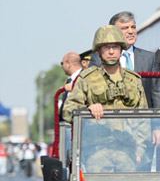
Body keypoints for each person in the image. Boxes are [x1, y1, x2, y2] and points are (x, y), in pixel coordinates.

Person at [62, 25, 149, 165]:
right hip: (96, 151)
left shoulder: (134, 80)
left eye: (115, 47)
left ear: (121, 49)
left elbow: (144, 118)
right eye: (106, 47)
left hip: (128, 151)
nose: (111, 51)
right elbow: (67, 111)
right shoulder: (87, 78)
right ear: (99, 51)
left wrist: (140, 149)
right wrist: (88, 109)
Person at [91, 11, 160, 110]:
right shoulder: (99, 58)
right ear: (113, 33)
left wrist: (158, 122)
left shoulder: (149, 58)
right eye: (125, 28)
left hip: (142, 120)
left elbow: (157, 94)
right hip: (111, 120)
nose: (131, 31)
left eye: (133, 27)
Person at [59, 51, 83, 121]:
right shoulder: (70, 80)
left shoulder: (84, 77)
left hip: (79, 124)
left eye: (62, 63)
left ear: (68, 64)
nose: (62, 66)